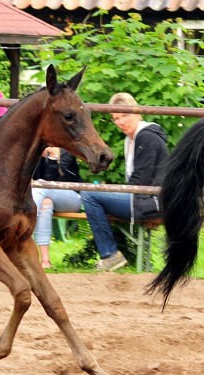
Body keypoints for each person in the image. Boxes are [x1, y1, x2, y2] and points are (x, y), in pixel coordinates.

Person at [81, 92, 168, 271]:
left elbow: (140, 182)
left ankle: (110, 255)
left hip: (150, 201)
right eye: (116, 118)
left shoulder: (146, 136)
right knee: (94, 192)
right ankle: (111, 254)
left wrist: (111, 191)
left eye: (125, 116)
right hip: (143, 198)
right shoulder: (131, 139)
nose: (121, 122)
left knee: (89, 194)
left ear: (137, 113)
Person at [32, 147, 83, 269]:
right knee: (46, 203)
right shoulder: (36, 152)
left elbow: (52, 182)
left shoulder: (67, 151)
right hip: (45, 196)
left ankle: (24, 232)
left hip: (72, 198)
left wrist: (53, 157)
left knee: (40, 187)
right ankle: (45, 261)